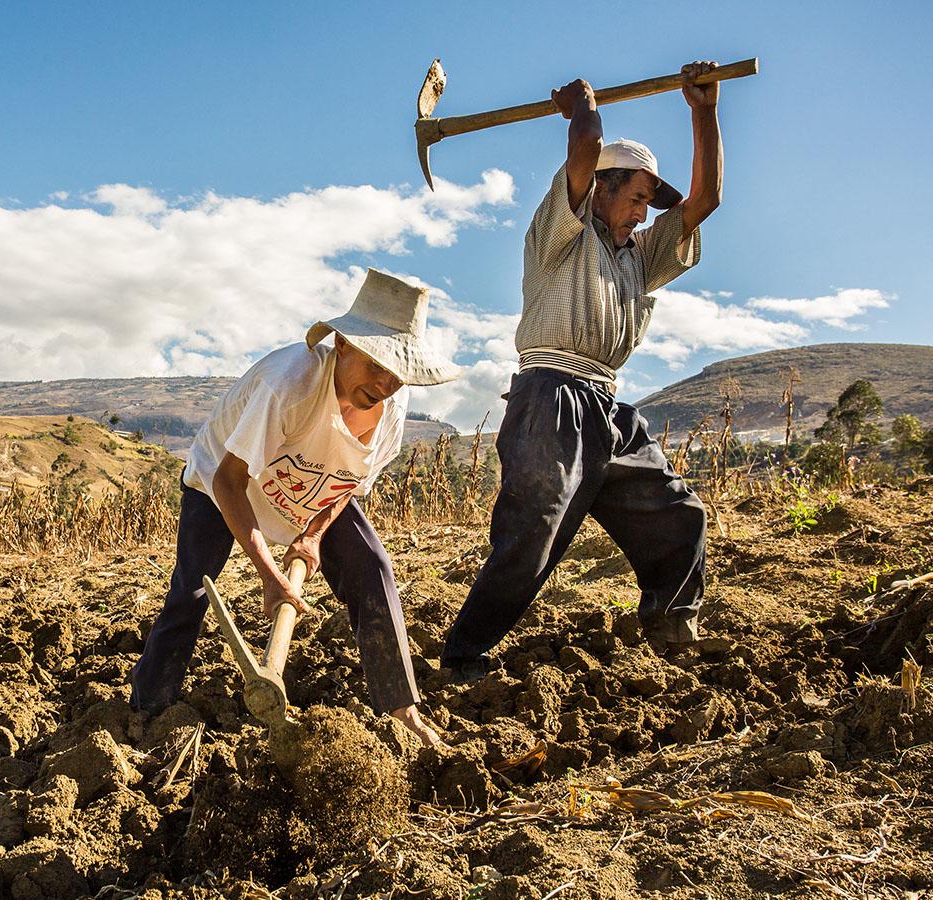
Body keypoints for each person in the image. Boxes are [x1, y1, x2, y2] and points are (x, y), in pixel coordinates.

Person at [441, 62, 724, 679]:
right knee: (533, 535)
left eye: (649, 203)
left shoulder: (637, 258)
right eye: (637, 198)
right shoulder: (560, 234)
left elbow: (705, 200)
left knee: (678, 514)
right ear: (600, 188)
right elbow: (589, 146)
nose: (645, 215)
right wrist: (582, 110)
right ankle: (463, 655)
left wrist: (704, 110)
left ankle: (672, 627)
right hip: (550, 397)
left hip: (607, 406)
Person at [132, 269, 459, 745]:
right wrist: (269, 573)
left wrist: (311, 535)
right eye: (375, 365)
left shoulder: (392, 405)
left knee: (373, 567)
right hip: (224, 483)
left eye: (397, 373)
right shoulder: (288, 385)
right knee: (191, 592)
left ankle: (402, 710)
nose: (386, 383)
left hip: (312, 489)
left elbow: (351, 481)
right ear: (343, 345)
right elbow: (229, 480)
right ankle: (148, 711)